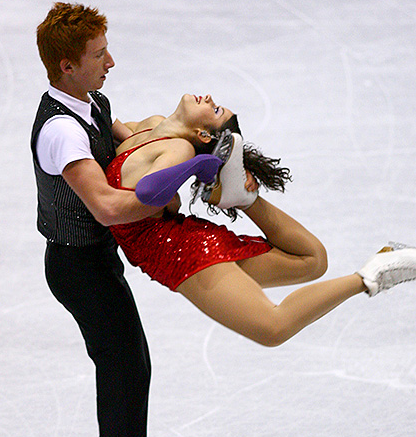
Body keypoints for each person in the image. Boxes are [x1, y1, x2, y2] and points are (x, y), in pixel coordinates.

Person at [31, 2, 191, 437]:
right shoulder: (60, 132)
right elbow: (105, 206)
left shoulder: (92, 102)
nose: (112, 62)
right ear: (67, 65)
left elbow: (129, 139)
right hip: (77, 268)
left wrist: (189, 135)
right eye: (100, 55)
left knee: (131, 372)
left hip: (96, 264)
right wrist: (173, 183)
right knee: (125, 375)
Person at [103, 93, 416, 347]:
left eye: (214, 109)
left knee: (273, 328)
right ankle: (242, 197)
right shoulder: (149, 127)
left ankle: (373, 275)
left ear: (202, 134)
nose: (209, 98)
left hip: (180, 253)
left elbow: (147, 190)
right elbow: (124, 141)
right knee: (312, 260)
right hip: (181, 239)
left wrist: (201, 163)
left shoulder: (181, 149)